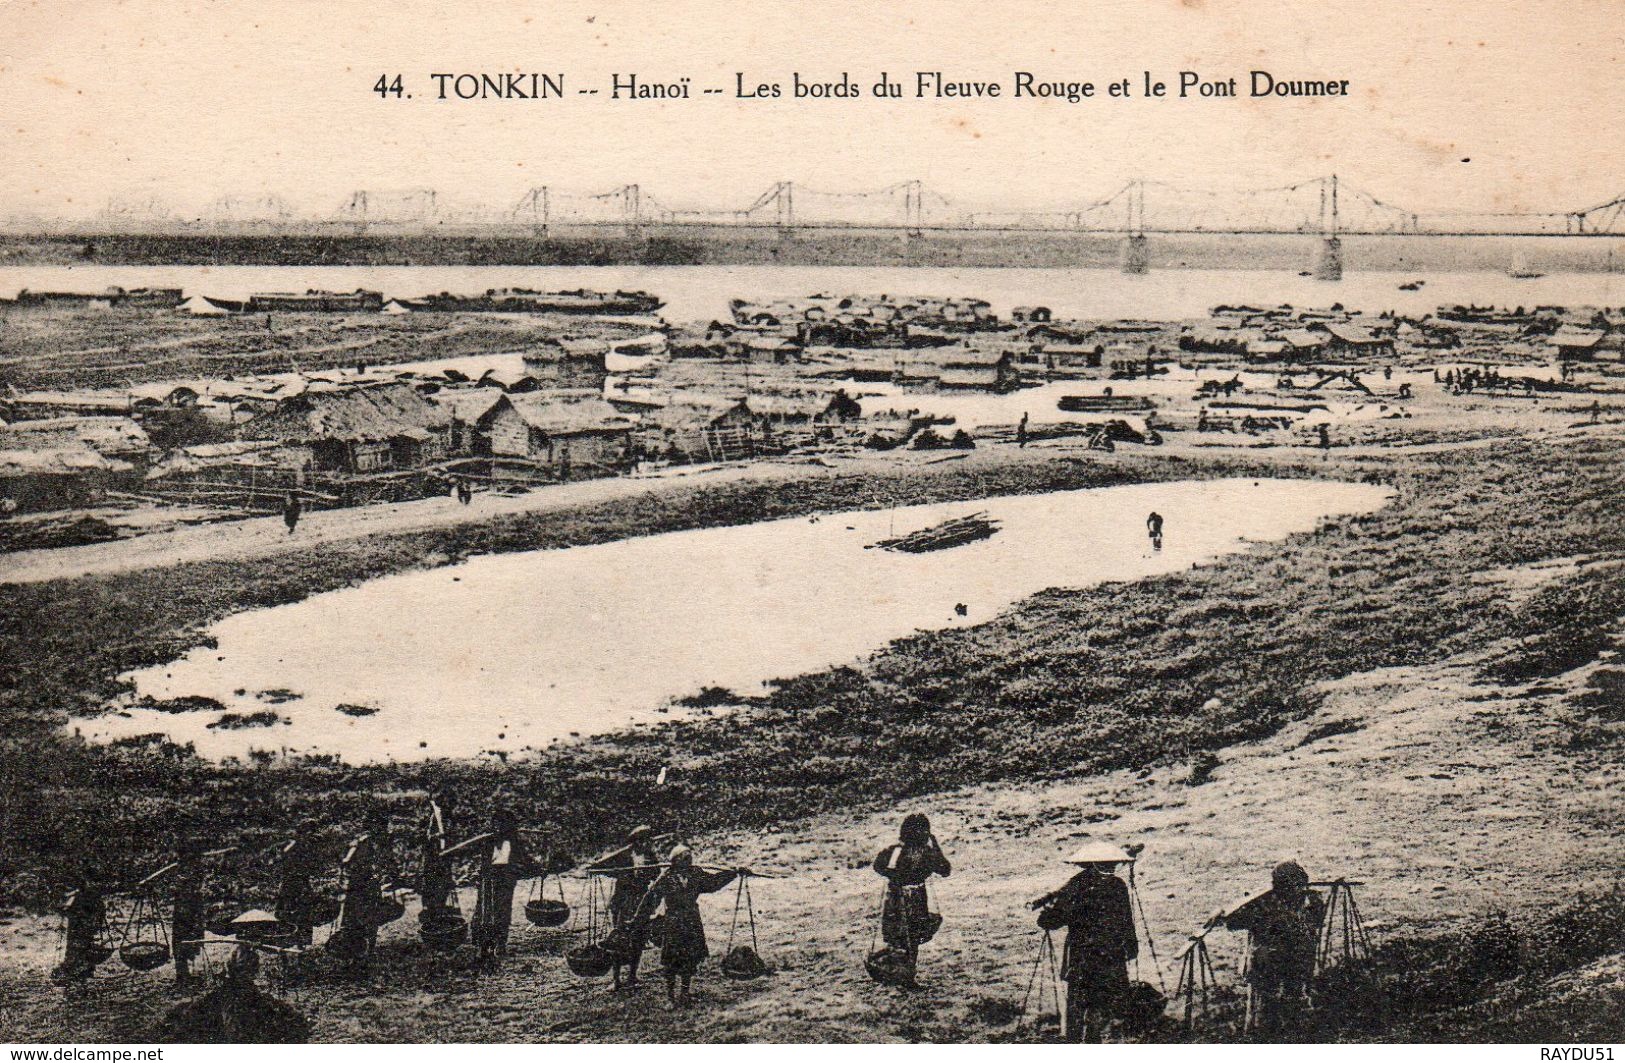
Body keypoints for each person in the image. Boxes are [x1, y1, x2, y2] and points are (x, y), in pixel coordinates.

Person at [1033, 844, 1139, 1043]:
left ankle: (1077, 1042)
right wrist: (1131, 947)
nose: (1111, 867)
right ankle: (1096, 1039)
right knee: (1101, 1003)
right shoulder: (1117, 885)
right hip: (1110, 956)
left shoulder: (1077, 885)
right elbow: (1127, 921)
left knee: (1079, 1003)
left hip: (1083, 957)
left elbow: (1055, 919)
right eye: (1108, 864)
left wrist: (1045, 916)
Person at [1214, 860, 1326, 1041]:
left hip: (1294, 964)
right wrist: (1224, 912)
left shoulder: (1308, 902)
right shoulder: (1263, 905)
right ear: (1280, 888)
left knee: (1293, 1004)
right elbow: (1232, 922)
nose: (1298, 891)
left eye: (1301, 887)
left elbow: (1317, 921)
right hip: (1266, 967)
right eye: (1293, 887)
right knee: (1265, 1010)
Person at [632, 845, 740, 1008]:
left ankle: (684, 993)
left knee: (690, 959)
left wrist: (733, 873)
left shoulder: (695, 873)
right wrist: (638, 919)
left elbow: (713, 883)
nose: (689, 860)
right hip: (674, 922)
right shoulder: (667, 878)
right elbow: (651, 899)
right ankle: (670, 997)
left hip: (691, 920)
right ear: (675, 861)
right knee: (671, 961)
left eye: (690, 857)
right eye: (685, 857)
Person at [872, 813, 951, 985]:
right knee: (912, 938)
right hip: (916, 898)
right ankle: (907, 975)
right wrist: (936, 846)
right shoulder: (927, 854)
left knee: (897, 938)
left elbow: (878, 865)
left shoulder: (895, 851)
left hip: (895, 898)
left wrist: (895, 877)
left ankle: (900, 973)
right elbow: (945, 870)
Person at [589, 825, 662, 990]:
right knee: (619, 939)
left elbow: (656, 874)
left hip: (641, 902)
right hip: (623, 902)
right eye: (644, 841)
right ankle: (616, 979)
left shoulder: (650, 857)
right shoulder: (622, 856)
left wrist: (646, 874)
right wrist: (595, 867)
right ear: (636, 842)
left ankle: (632, 976)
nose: (647, 844)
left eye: (648, 841)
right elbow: (605, 868)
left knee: (639, 939)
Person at [471, 808, 539, 961]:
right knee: (485, 911)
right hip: (488, 877)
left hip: (506, 878)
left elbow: (524, 859)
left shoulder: (514, 842)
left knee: (503, 910)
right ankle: (483, 946)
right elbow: (482, 861)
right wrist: (478, 873)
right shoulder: (488, 841)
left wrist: (537, 867)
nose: (498, 827)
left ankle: (501, 944)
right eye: (495, 824)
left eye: (502, 824)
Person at [337, 809, 390, 978]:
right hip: (359, 887)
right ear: (372, 826)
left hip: (369, 885)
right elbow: (346, 861)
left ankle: (367, 954)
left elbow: (382, 861)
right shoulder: (362, 842)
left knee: (371, 919)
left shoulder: (375, 842)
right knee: (356, 921)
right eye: (380, 827)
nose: (382, 830)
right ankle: (354, 958)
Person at [274, 824, 323, 948]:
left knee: (304, 914)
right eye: (309, 833)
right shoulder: (291, 848)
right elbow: (287, 869)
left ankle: (301, 944)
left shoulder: (305, 846)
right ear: (302, 833)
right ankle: (287, 944)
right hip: (291, 885)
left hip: (301, 884)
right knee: (290, 914)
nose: (311, 836)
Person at [58, 868, 107, 985]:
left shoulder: (92, 897)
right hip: (78, 928)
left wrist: (96, 922)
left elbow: (100, 911)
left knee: (82, 948)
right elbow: (69, 910)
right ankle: (77, 972)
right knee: (76, 949)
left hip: (85, 927)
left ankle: (82, 972)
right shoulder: (78, 896)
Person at [172, 838, 206, 987]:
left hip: (190, 907)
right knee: (184, 939)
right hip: (184, 908)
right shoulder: (185, 869)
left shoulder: (192, 869)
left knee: (190, 938)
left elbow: (195, 886)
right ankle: (183, 974)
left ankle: (188, 972)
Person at [419, 788, 456, 916]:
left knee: (445, 881)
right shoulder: (429, 813)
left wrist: (447, 837)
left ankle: (440, 908)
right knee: (431, 881)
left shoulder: (446, 813)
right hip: (432, 855)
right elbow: (423, 836)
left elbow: (451, 831)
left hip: (445, 852)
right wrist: (436, 836)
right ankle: (431, 909)